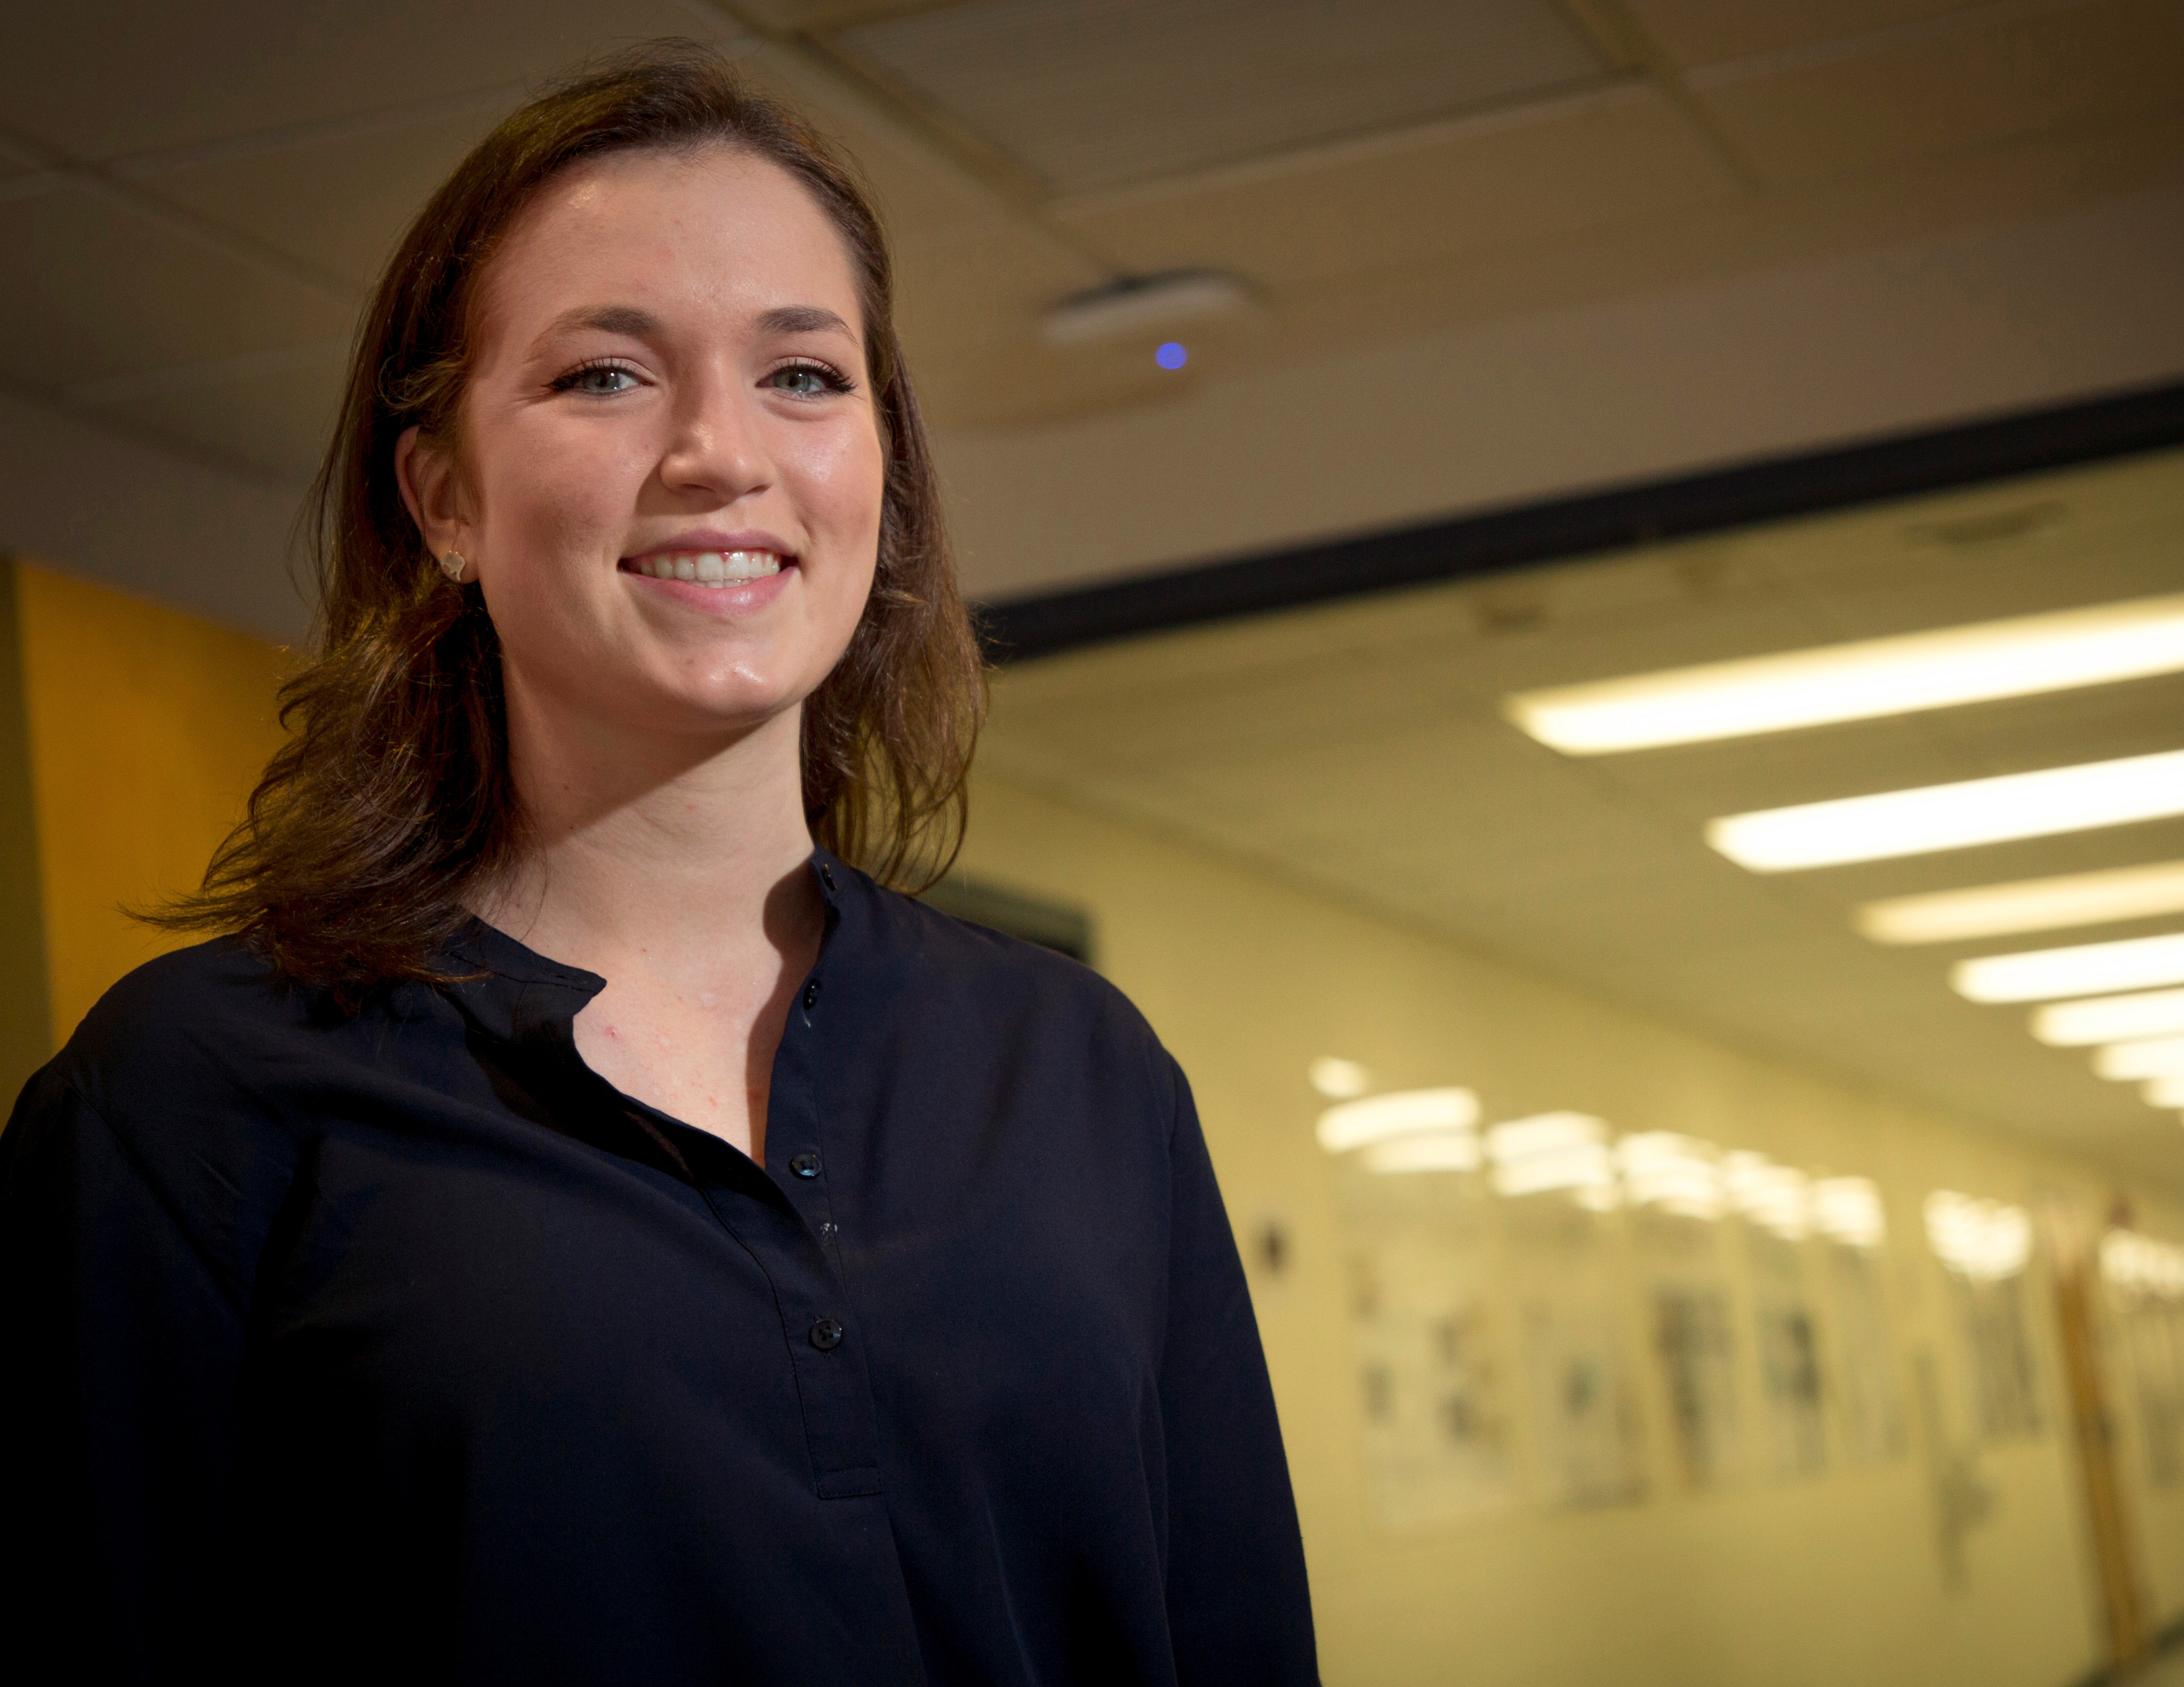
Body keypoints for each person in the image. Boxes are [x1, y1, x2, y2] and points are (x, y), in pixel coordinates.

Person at [0, 43, 1315, 1685]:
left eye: (804, 376)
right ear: (442, 500)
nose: (719, 450)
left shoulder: (1080, 1069)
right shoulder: (192, 1102)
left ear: (880, 476)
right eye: (606, 376)